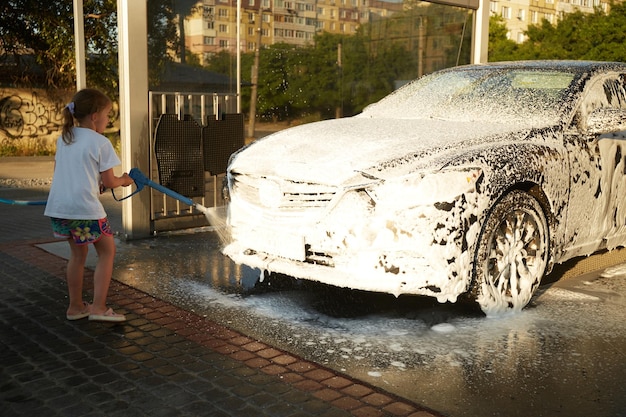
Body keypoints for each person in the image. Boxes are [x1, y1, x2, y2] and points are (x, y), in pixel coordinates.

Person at [44, 88, 134, 323]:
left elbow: (64, 173)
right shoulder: (101, 142)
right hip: (85, 210)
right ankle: (99, 307)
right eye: (107, 115)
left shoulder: (64, 138)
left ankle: (75, 307)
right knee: (107, 251)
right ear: (94, 116)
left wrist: (95, 184)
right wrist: (126, 179)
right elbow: (111, 182)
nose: (108, 120)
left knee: (77, 255)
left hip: (61, 209)